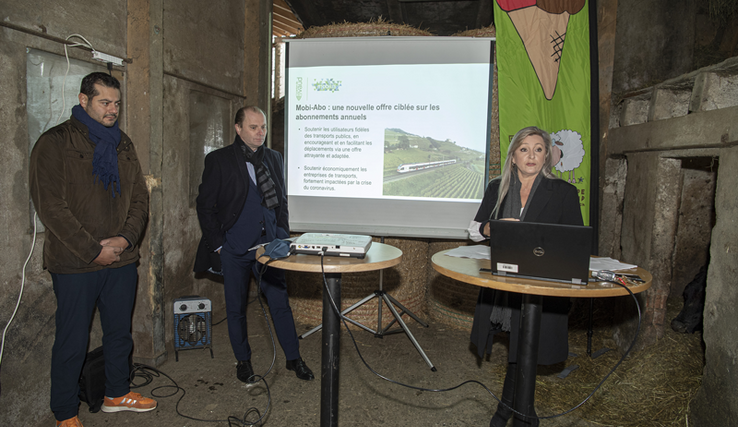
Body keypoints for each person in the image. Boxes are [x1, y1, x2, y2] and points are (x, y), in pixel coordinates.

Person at [29, 72, 156, 427]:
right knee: (72, 340)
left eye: (116, 103)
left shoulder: (123, 144)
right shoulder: (54, 143)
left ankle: (116, 393)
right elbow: (51, 207)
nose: (112, 110)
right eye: (104, 102)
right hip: (74, 263)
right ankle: (65, 413)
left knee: (119, 333)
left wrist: (125, 240)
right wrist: (91, 249)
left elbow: (139, 200)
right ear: (84, 101)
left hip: (121, 260)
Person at [467, 126, 583, 427]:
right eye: (524, 149)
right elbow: (473, 229)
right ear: (514, 156)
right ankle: (515, 411)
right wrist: (490, 228)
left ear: (547, 156)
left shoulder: (564, 193)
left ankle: (519, 414)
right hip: (503, 282)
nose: (531, 155)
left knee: (527, 344)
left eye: (538, 149)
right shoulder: (497, 187)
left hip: (542, 285)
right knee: (520, 345)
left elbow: (577, 244)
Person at [194, 106, 314, 383]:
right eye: (253, 127)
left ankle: (293, 358)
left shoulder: (274, 158)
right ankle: (243, 361)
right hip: (234, 249)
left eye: (263, 128)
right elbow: (205, 206)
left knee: (280, 303)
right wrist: (220, 246)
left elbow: (281, 201)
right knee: (236, 309)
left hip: (269, 248)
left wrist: (281, 234)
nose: (260, 133)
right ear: (238, 128)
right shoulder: (219, 160)